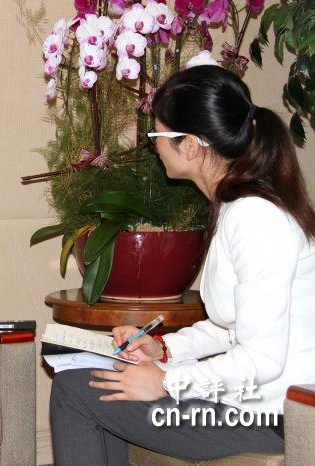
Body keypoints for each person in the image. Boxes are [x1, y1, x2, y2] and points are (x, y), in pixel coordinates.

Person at [49, 65, 315, 464]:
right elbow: (234, 327)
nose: (154, 146)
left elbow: (262, 358)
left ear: (189, 145)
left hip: (275, 417)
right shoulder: (239, 206)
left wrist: (167, 382)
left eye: (156, 135)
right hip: (256, 402)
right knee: (96, 381)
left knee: (75, 390)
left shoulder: (257, 219)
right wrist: (164, 349)